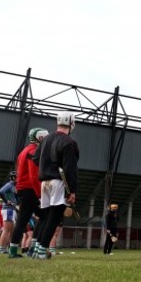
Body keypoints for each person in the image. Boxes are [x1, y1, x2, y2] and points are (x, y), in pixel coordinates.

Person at [33, 111, 79, 260]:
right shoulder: (69, 142)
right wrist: (72, 190)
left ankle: (36, 249)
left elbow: (35, 159)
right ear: (71, 124)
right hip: (58, 181)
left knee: (45, 217)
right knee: (54, 218)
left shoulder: (46, 139)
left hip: (43, 182)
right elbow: (70, 168)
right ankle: (42, 251)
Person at [8, 127, 48, 258]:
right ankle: (26, 250)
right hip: (29, 190)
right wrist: (40, 194)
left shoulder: (24, 151)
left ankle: (27, 249)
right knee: (26, 219)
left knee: (40, 217)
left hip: (24, 189)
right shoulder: (34, 151)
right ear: (40, 138)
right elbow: (33, 176)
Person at [0, 171, 18, 254]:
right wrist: (6, 201)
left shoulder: (14, 186)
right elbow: (1, 192)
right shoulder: (9, 185)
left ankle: (5, 247)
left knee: (10, 231)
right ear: (13, 177)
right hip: (8, 209)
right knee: (6, 230)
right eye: (17, 177)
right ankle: (1, 248)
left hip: (12, 209)